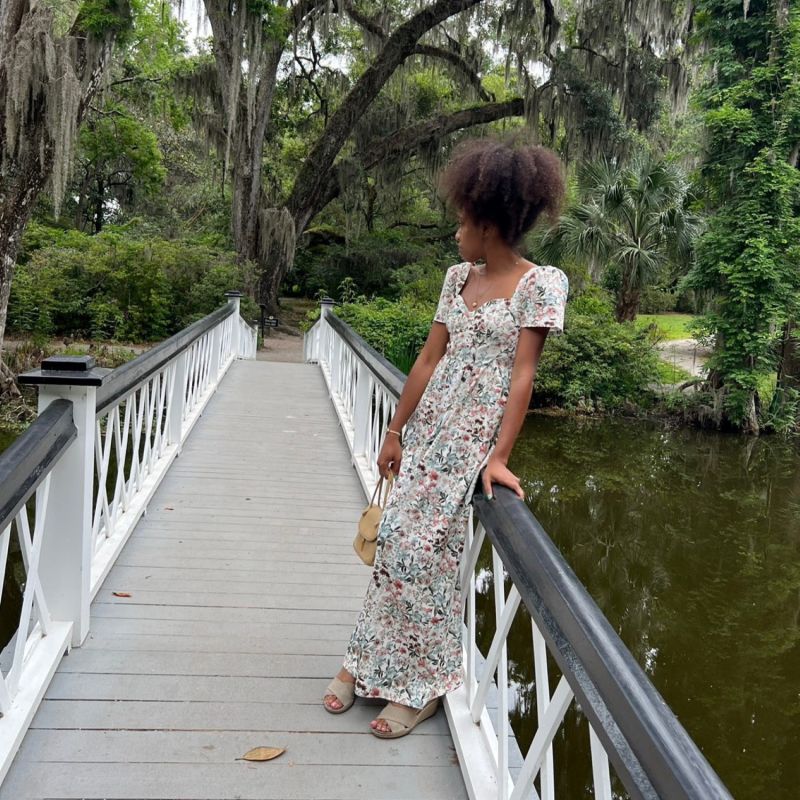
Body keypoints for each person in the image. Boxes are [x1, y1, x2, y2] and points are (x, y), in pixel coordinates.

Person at [322, 136, 569, 738]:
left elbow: (522, 375)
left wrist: (500, 456)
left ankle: (420, 686)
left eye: (462, 221)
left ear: (488, 224)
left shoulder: (541, 284)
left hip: (469, 444)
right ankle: (363, 661)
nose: (455, 232)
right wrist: (394, 430)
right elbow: (430, 359)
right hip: (428, 432)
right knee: (395, 553)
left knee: (419, 558)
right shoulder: (457, 276)